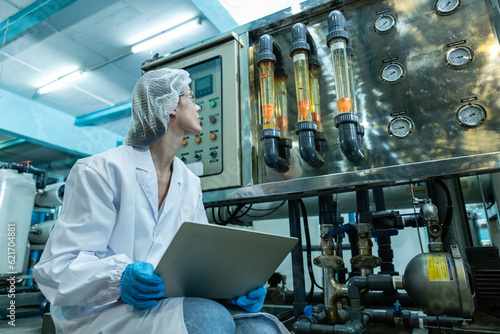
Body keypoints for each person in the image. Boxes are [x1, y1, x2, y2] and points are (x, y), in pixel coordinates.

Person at [34, 68, 289, 334]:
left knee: (260, 328)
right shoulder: (100, 170)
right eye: (190, 97)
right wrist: (119, 279)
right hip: (100, 312)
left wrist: (229, 288)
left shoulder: (189, 182)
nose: (198, 105)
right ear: (170, 107)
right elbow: (57, 267)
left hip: (167, 305)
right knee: (209, 320)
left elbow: (199, 260)